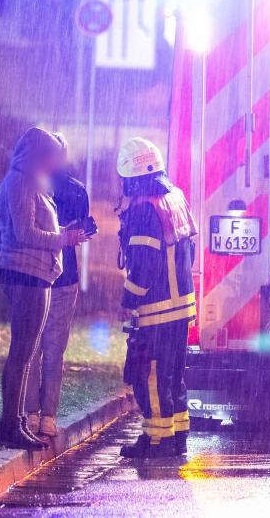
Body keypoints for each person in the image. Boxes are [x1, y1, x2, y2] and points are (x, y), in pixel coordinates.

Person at [0, 127, 89, 449]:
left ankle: (17, 422)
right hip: (27, 275)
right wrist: (64, 239)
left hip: (35, 274)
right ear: (38, 154)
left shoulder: (31, 180)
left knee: (26, 352)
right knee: (23, 353)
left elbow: (27, 230)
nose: (55, 162)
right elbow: (23, 233)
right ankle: (12, 423)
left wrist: (61, 231)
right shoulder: (20, 181)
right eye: (50, 155)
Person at [115, 137, 197, 459]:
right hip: (180, 307)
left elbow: (144, 264)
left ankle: (157, 441)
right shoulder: (174, 198)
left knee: (149, 375)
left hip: (156, 310)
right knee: (173, 374)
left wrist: (128, 300)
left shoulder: (144, 210)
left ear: (132, 178)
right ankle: (177, 437)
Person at [27, 150, 90, 439]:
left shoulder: (29, 186)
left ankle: (30, 413)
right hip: (64, 275)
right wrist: (71, 234)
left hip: (38, 274)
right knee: (53, 349)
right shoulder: (76, 190)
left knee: (32, 346)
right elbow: (81, 228)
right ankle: (47, 416)